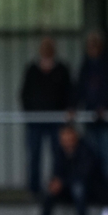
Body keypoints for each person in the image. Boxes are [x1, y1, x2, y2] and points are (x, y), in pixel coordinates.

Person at [20, 37, 72, 197]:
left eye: (50, 47)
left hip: (57, 119)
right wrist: (30, 112)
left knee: (58, 154)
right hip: (35, 120)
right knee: (34, 154)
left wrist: (69, 110)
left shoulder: (62, 69)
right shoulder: (32, 69)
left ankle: (57, 188)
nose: (47, 50)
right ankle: (34, 189)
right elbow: (24, 94)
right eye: (44, 47)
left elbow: (70, 91)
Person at [34, 125, 102, 215]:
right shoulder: (59, 151)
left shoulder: (85, 149)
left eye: (69, 138)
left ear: (75, 137)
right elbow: (57, 171)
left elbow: (84, 174)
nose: (67, 142)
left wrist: (63, 182)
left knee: (78, 189)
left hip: (88, 188)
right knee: (50, 190)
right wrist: (54, 182)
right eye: (64, 139)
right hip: (66, 188)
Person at [74, 31, 108, 179]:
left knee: (107, 155)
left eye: (95, 44)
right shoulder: (85, 66)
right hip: (90, 119)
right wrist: (73, 107)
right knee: (91, 155)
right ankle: (95, 186)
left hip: (107, 120)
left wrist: (104, 106)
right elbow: (80, 89)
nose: (93, 48)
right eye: (90, 45)